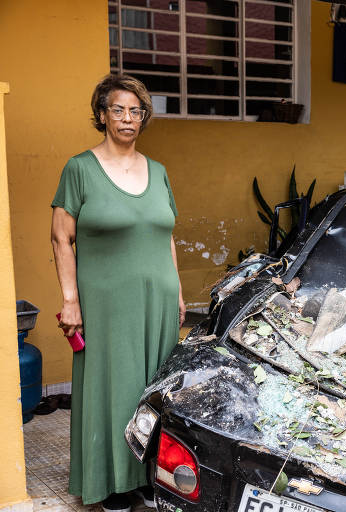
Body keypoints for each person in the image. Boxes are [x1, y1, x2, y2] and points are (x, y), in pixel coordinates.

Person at [51, 74, 185, 512]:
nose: (127, 118)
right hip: (107, 303)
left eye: (136, 111)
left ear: (144, 117)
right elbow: (60, 238)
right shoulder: (80, 169)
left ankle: (145, 477)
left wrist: (179, 294)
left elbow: (166, 237)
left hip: (159, 303)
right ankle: (112, 483)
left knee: (153, 389)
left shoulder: (159, 171)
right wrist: (70, 300)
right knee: (114, 389)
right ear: (102, 115)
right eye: (118, 110)